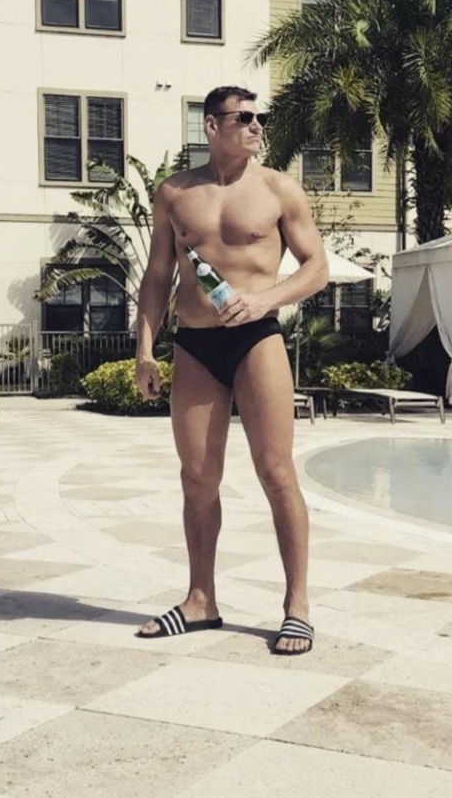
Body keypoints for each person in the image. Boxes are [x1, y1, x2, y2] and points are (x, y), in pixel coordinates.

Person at [133, 85, 329, 655]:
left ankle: (297, 606)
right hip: (195, 343)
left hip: (256, 338)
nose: (255, 126)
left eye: (259, 117)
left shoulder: (278, 189)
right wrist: (145, 349)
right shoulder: (175, 194)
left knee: (277, 472)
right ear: (212, 125)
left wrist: (265, 299)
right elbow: (157, 276)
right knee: (196, 477)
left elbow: (316, 268)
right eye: (243, 117)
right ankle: (201, 601)